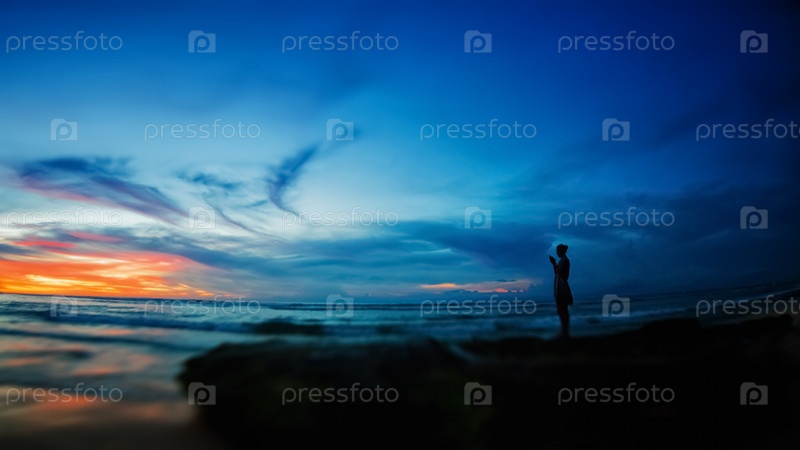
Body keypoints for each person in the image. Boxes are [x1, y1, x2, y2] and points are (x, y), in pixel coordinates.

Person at [549, 244, 573, 338]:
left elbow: (561, 273)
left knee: (563, 309)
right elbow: (556, 273)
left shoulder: (565, 260)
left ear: (561, 251)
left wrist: (554, 263)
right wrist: (554, 264)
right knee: (561, 309)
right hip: (559, 285)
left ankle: (565, 331)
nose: (557, 253)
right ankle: (564, 330)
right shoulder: (562, 260)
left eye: (557, 251)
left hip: (562, 286)